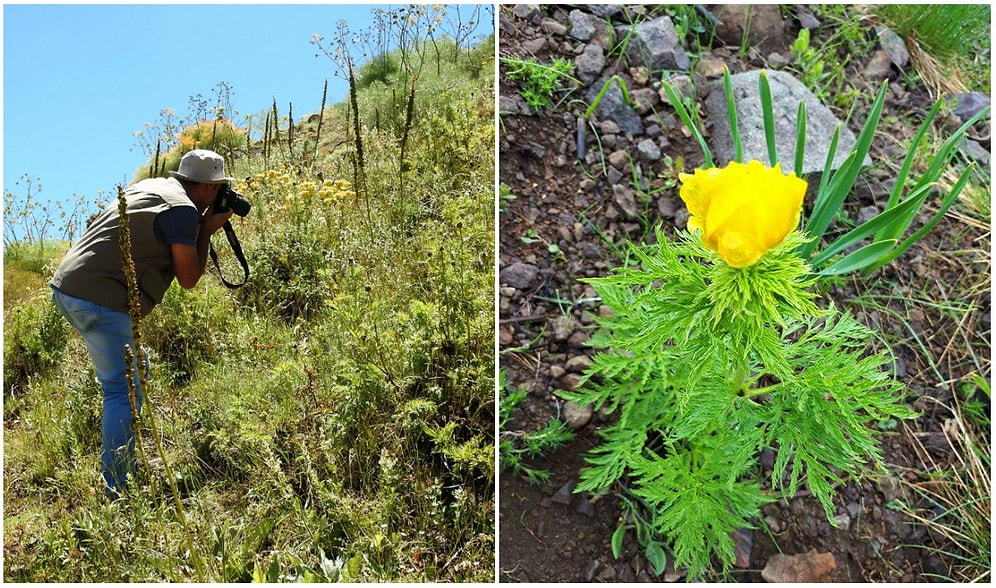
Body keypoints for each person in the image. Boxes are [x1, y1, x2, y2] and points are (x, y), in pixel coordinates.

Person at [50, 149, 235, 498]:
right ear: (209, 188)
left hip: (69, 288)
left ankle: (123, 470)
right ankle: (118, 491)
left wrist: (199, 225)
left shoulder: (151, 187)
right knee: (123, 390)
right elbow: (189, 278)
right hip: (100, 297)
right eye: (220, 188)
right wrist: (206, 231)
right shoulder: (182, 210)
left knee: (134, 371)